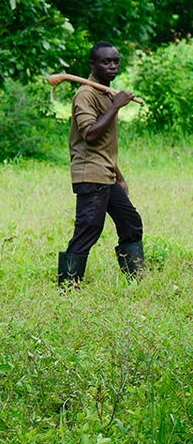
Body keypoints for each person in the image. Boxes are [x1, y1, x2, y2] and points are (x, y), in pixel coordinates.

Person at [58, 41, 144, 285]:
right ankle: (68, 286)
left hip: (106, 173)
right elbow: (91, 135)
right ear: (93, 64)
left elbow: (105, 144)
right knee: (88, 229)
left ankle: (135, 278)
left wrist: (118, 176)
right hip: (89, 174)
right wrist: (117, 106)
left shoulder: (106, 93)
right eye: (106, 62)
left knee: (130, 222)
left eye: (116, 61)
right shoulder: (85, 95)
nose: (113, 66)